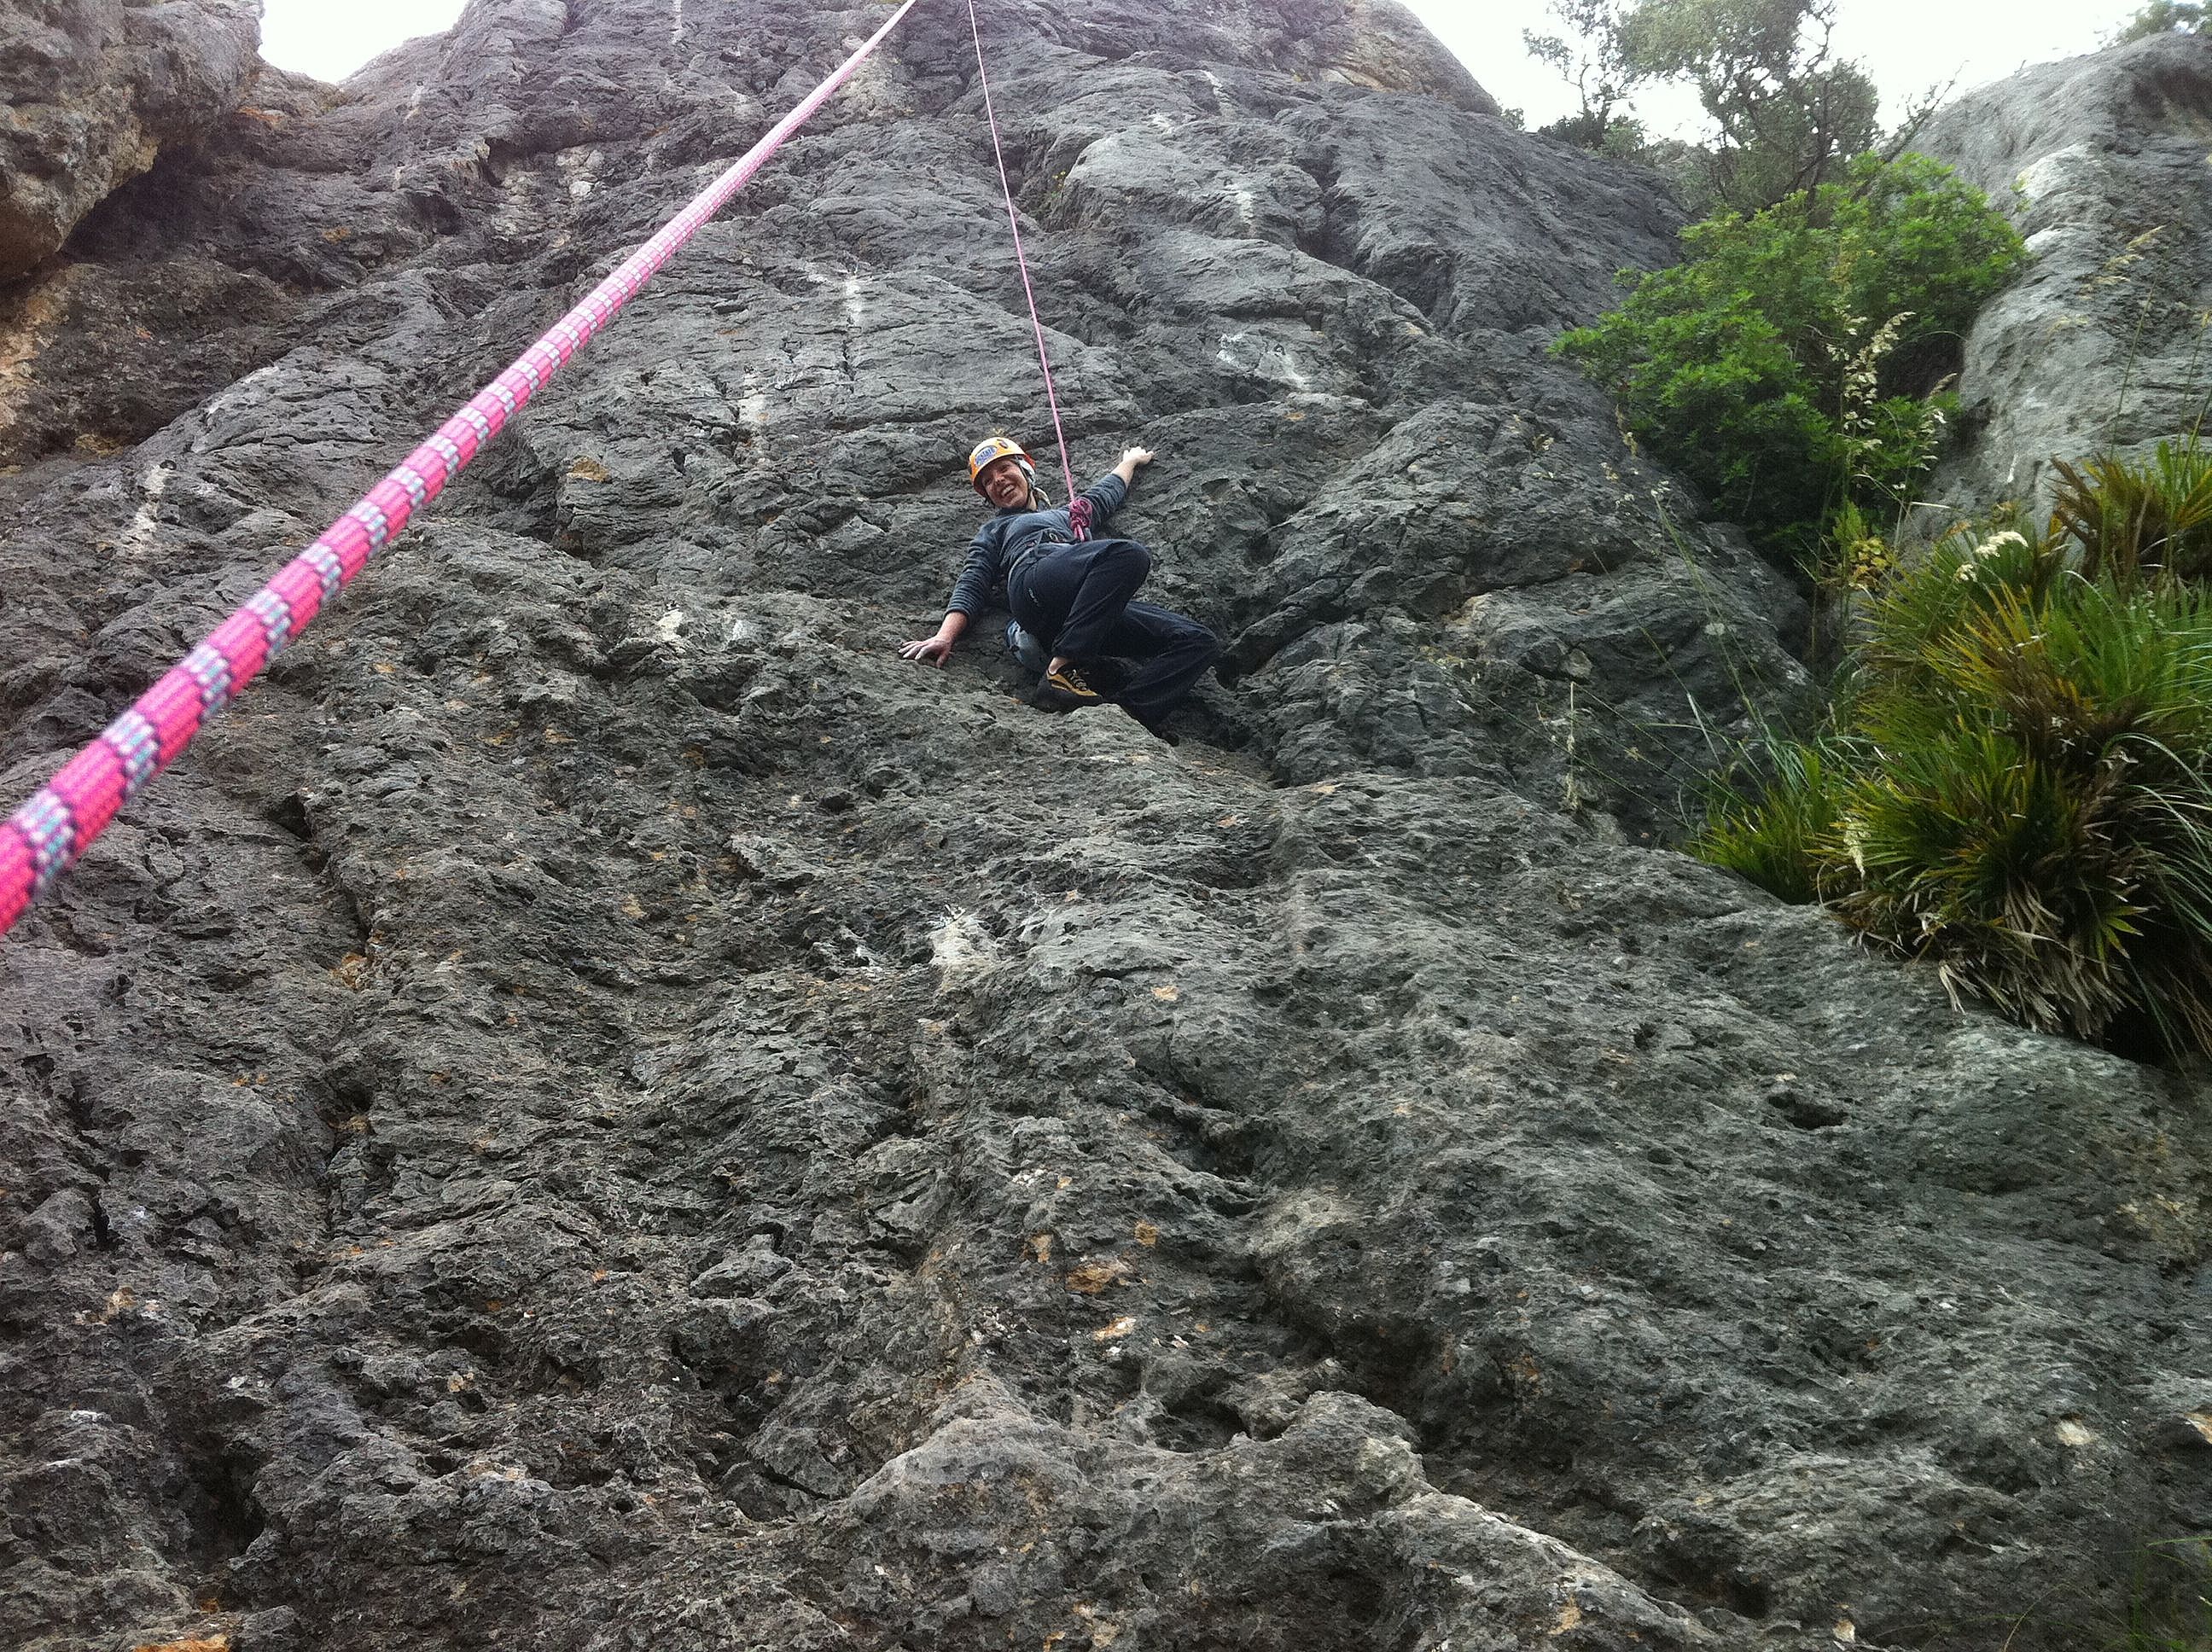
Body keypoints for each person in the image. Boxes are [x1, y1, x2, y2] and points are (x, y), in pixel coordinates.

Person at [898, 436, 1222, 744]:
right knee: (1128, 555)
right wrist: (944, 636)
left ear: (1026, 471)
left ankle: (1128, 714)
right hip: (1033, 584)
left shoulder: (1070, 515)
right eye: (987, 481)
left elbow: (1105, 493)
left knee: (1198, 641)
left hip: (1084, 613)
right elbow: (973, 580)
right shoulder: (995, 528)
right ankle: (1061, 669)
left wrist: (1131, 462)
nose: (997, 481)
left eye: (1004, 469)